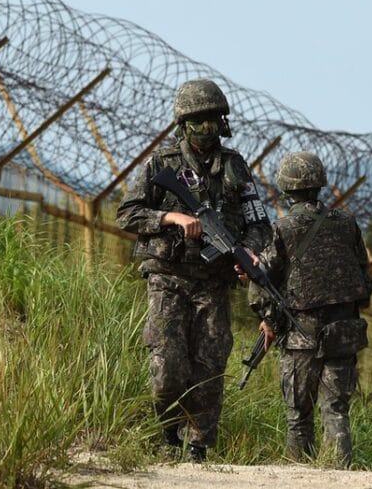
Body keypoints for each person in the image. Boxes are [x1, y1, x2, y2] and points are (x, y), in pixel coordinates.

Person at [116, 79, 271, 462]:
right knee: (167, 364)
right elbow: (126, 214)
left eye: (213, 120)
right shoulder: (161, 163)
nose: (206, 128)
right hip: (168, 276)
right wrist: (172, 217)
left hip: (213, 282)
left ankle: (197, 448)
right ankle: (167, 432)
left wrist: (246, 254)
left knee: (211, 362)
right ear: (183, 124)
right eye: (198, 120)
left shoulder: (234, 166)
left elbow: (258, 224)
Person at [244, 151, 372, 467]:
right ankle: (339, 475)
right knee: (336, 409)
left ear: (286, 188)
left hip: (302, 334)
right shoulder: (347, 224)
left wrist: (266, 318)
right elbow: (361, 272)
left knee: (298, 412)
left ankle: (299, 474)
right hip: (344, 331)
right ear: (320, 184)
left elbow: (265, 280)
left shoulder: (284, 228)